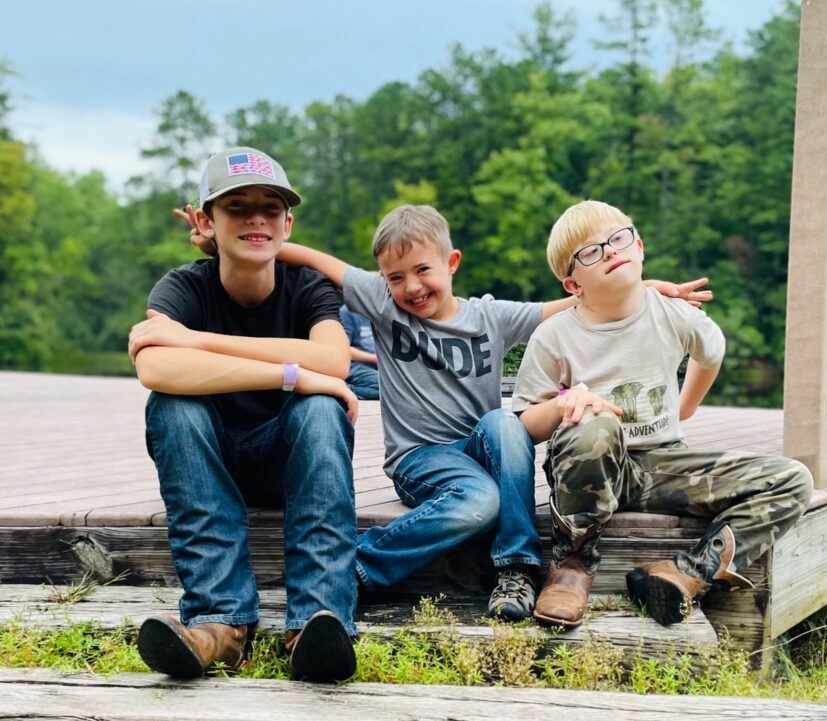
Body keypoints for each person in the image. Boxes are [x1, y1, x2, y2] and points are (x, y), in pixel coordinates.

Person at [184, 203, 709, 622]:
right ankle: (357, 564)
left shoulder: (491, 317)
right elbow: (321, 262)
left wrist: (644, 288)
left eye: (422, 271)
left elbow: (577, 302)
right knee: (478, 500)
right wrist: (231, 244)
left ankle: (518, 571)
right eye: (395, 277)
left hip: (483, 449)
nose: (411, 287)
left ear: (451, 263)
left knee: (505, 422)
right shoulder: (384, 305)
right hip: (421, 458)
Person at [511, 200, 813, 628]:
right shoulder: (555, 335)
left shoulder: (672, 313)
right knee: (595, 421)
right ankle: (573, 565)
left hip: (663, 463)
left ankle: (686, 573)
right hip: (591, 469)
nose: (611, 251)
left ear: (639, 245)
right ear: (572, 284)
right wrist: (564, 404)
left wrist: (684, 408)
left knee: (791, 480)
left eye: (618, 239)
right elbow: (523, 423)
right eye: (591, 252)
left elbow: (712, 352)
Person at [130, 147, 360, 683]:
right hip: (208, 469)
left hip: (290, 464)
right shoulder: (183, 286)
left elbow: (332, 360)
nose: (257, 217)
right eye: (238, 206)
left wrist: (197, 342)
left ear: (287, 223)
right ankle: (221, 625)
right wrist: (289, 374)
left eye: (271, 207)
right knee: (172, 408)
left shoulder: (307, 288)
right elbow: (157, 368)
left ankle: (316, 624)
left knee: (322, 408)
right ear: (208, 222)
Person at [339, 304, 380, 400]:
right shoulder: (346, 312)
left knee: (398, 388)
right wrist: (375, 358)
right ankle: (346, 389)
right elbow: (342, 349)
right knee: (392, 386)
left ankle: (349, 390)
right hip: (358, 368)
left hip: (379, 368)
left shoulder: (377, 310)